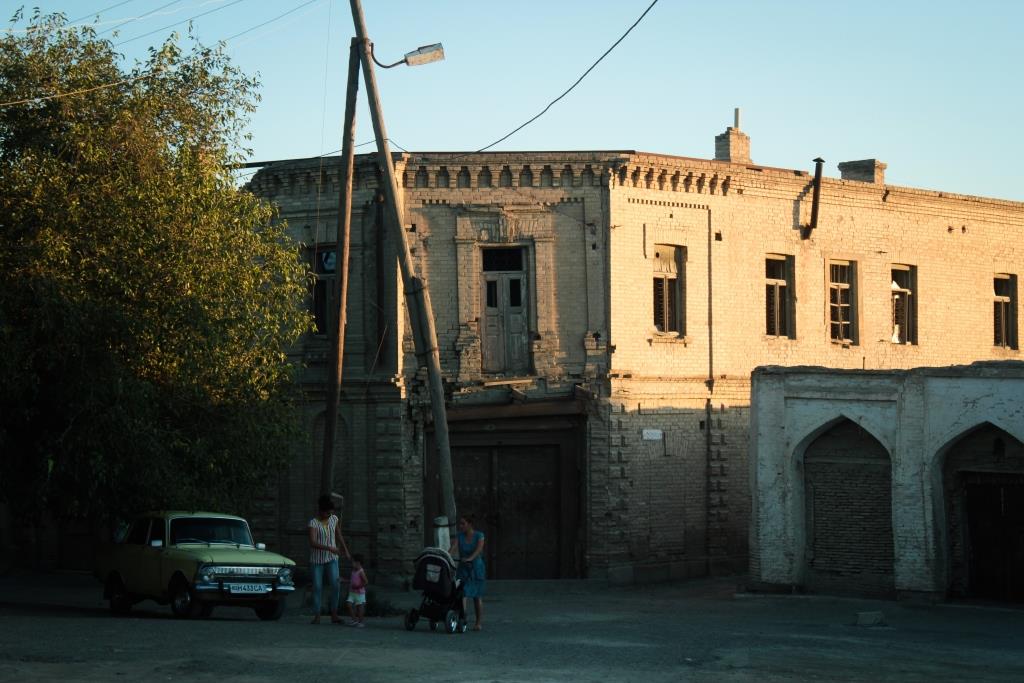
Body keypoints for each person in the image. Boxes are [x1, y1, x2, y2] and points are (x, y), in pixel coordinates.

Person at [308, 494, 350, 624]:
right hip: (317, 560)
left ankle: (334, 614)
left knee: (336, 585)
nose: (329, 515)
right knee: (318, 587)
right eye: (327, 513)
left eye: (331, 513)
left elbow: (339, 535)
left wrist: (346, 550)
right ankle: (317, 615)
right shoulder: (313, 523)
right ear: (321, 511)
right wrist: (329, 548)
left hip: (332, 558)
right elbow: (313, 542)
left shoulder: (334, 519)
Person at [449, 515, 485, 631]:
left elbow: (479, 549)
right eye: (460, 523)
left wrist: (470, 558)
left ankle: (478, 622)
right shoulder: (459, 536)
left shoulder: (479, 535)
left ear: (470, 524)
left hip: (476, 568)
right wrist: (446, 555)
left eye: (463, 524)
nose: (460, 526)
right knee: (462, 594)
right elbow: (453, 547)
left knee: (476, 596)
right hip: (463, 567)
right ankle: (462, 618)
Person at [345, 554, 368, 628]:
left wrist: (358, 586)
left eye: (353, 562)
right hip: (352, 592)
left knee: (359, 608)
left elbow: (366, 582)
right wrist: (343, 580)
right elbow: (352, 581)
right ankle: (354, 619)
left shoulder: (361, 571)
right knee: (348, 604)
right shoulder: (353, 571)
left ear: (358, 563)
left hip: (359, 593)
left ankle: (360, 622)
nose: (352, 564)